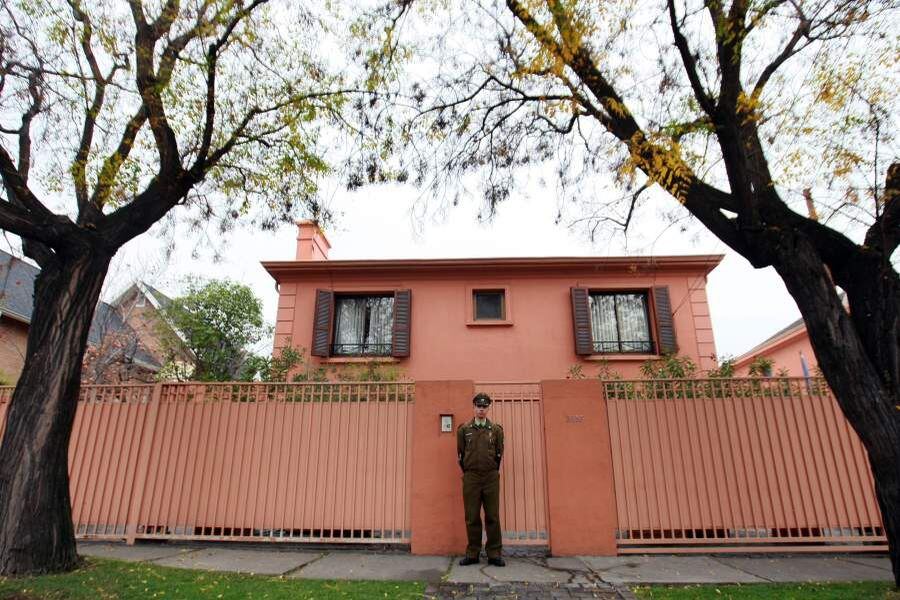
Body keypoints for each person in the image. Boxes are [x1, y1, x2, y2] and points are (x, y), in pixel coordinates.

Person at [456, 392, 505, 566]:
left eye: (484, 407)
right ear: (474, 407)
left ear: (488, 408)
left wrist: (490, 469)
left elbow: (499, 454)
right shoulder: (464, 430)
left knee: (492, 516)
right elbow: (460, 455)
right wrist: (469, 471)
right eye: (478, 406)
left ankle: (494, 553)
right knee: (472, 516)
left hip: (491, 477)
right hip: (471, 477)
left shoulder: (496, 430)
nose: (481, 410)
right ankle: (472, 553)